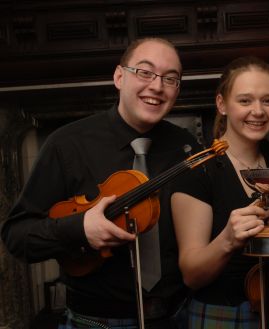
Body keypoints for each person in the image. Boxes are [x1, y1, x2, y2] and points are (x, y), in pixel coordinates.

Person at [1, 37, 202, 328]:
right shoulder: (67, 144)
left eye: (170, 78)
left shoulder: (186, 146)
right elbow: (16, 236)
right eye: (145, 72)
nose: (157, 87)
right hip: (97, 321)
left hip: (177, 316)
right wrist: (79, 229)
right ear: (119, 76)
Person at [170, 56, 269, 328]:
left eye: (268, 100)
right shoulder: (198, 170)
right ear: (222, 104)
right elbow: (191, 275)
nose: (258, 111)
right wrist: (227, 240)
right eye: (245, 100)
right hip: (224, 315)